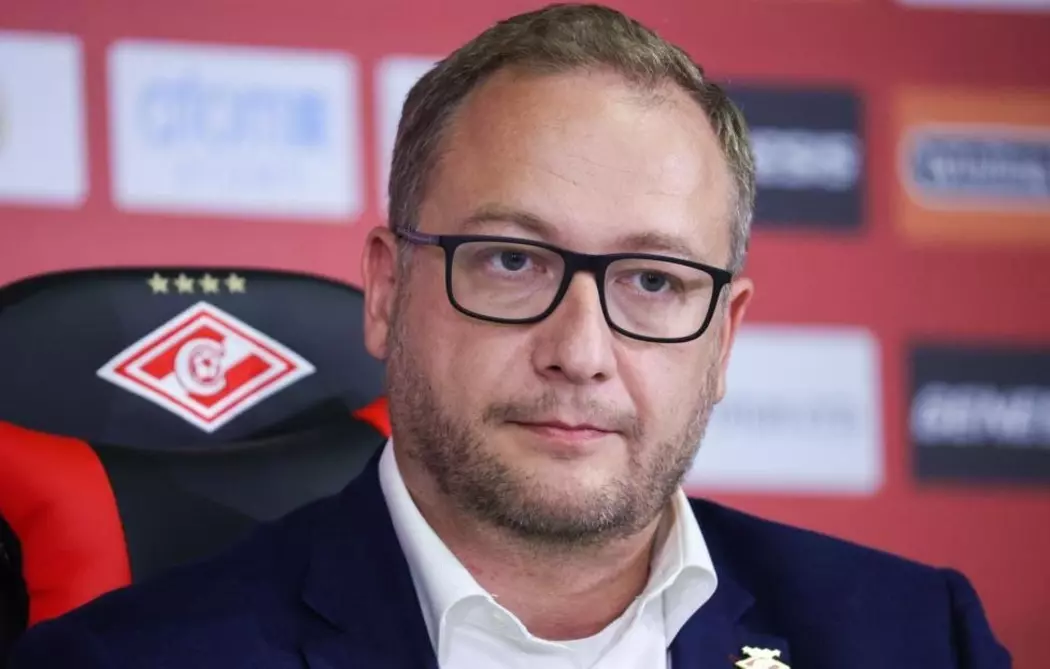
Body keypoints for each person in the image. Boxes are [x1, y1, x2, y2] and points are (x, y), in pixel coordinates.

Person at [9, 4, 1010, 668]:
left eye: (654, 280)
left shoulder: (920, 639)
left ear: (724, 336)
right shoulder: (123, 659)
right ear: (387, 290)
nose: (580, 351)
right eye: (513, 262)